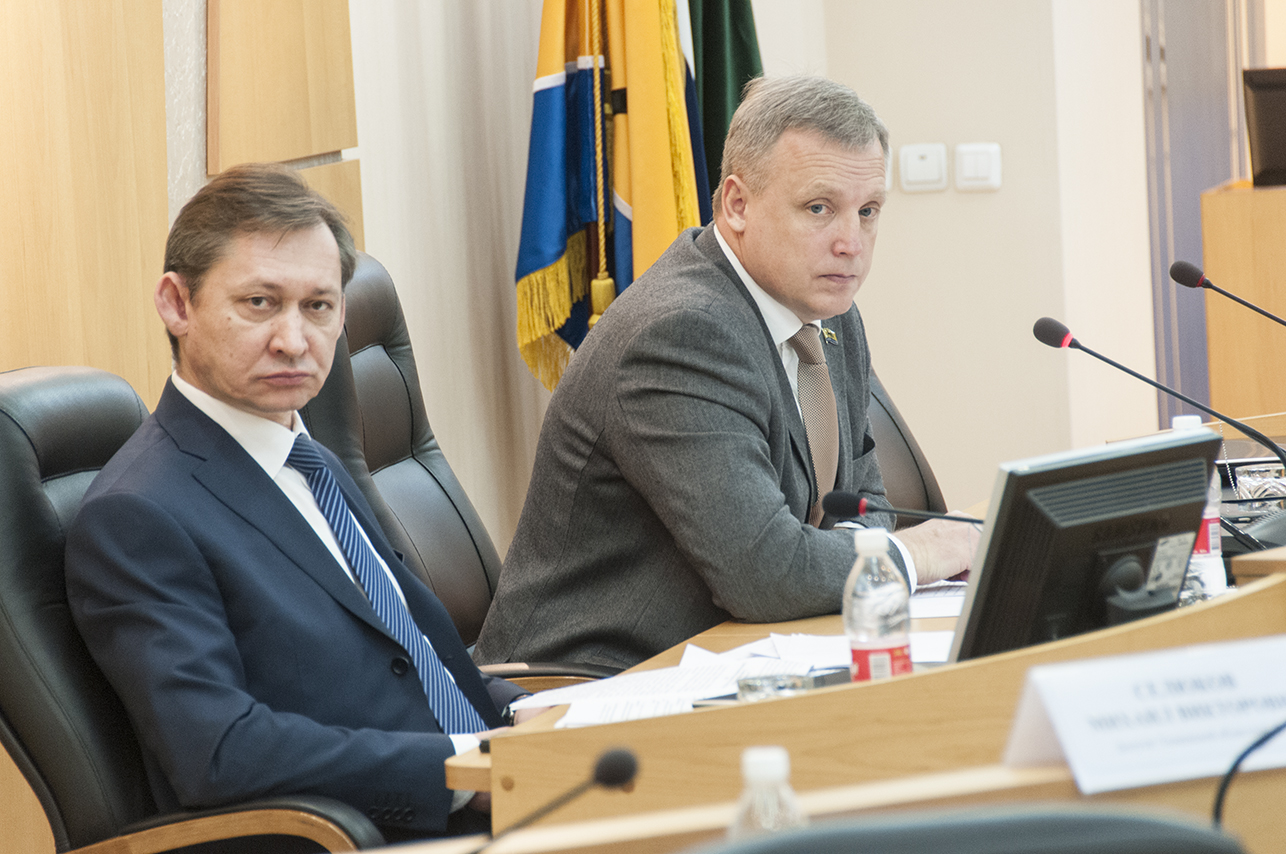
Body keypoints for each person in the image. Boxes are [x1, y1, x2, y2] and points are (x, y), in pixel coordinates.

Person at [65, 164, 538, 839]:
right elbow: (221, 750)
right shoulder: (136, 516)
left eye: (318, 306)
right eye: (260, 303)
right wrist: (466, 769)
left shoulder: (306, 454)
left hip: (500, 796)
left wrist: (527, 716)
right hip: (378, 834)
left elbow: (408, 654)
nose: (294, 341)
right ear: (176, 304)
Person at [475, 75, 978, 671]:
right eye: (819, 209)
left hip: (736, 651)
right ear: (737, 205)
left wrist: (847, 561)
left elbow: (862, 503)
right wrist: (914, 556)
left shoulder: (829, 311)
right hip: (586, 683)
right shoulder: (680, 334)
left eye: (867, 212)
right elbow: (766, 573)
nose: (852, 243)